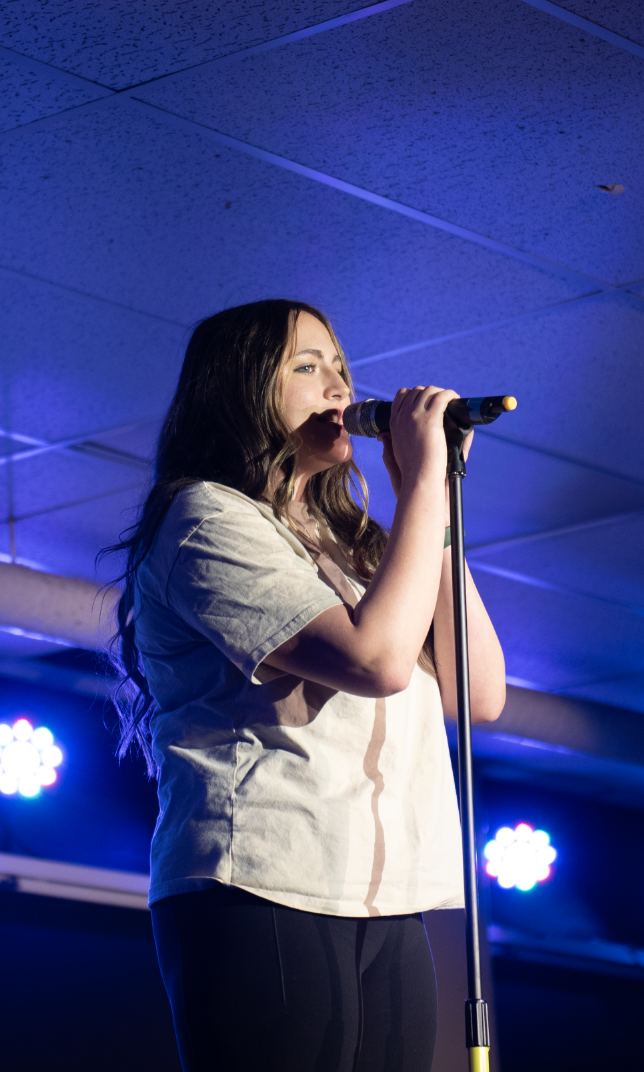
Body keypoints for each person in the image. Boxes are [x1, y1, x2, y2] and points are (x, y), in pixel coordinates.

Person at [107, 299, 505, 1072]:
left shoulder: (360, 546)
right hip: (262, 874)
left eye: (342, 369)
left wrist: (432, 499)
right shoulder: (205, 517)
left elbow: (478, 692)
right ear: (239, 388)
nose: (337, 386)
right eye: (306, 366)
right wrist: (422, 482)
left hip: (384, 890)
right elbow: (376, 661)